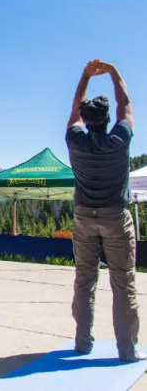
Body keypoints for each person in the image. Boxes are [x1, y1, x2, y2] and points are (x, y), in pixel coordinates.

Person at [66, 60, 144, 362]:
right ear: (108, 118)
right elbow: (125, 101)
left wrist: (85, 75)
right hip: (115, 216)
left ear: (84, 121)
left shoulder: (74, 141)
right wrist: (113, 72)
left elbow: (74, 106)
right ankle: (127, 350)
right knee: (123, 282)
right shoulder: (119, 138)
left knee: (85, 280)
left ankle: (82, 343)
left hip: (84, 217)